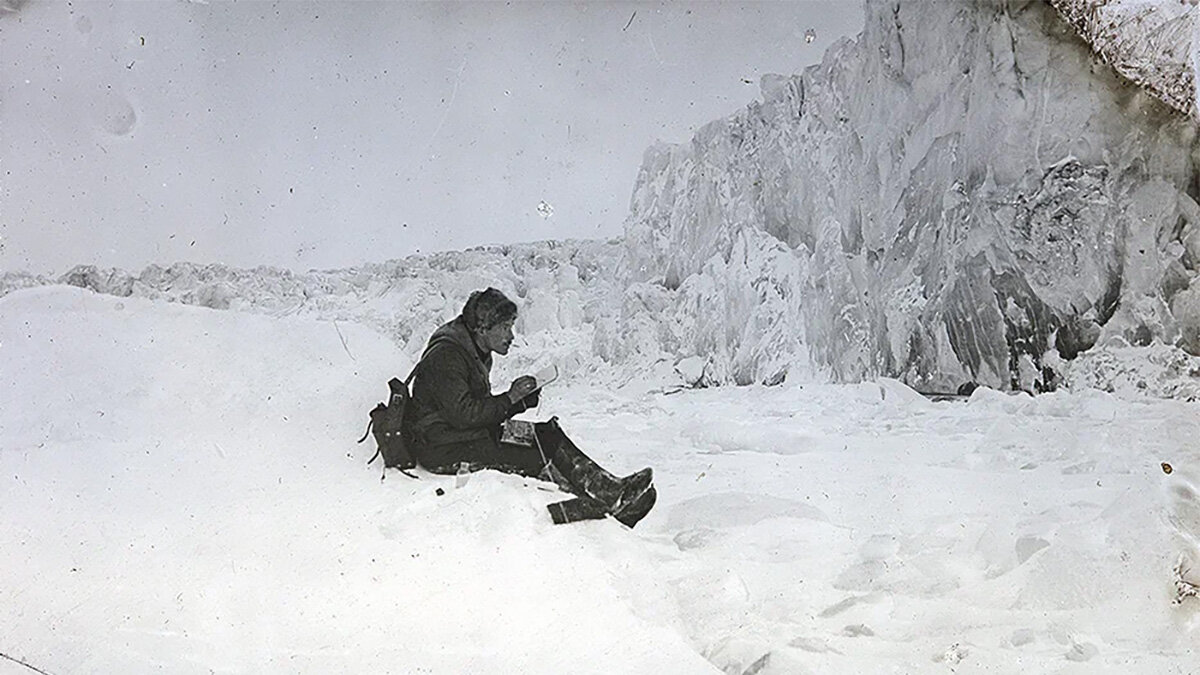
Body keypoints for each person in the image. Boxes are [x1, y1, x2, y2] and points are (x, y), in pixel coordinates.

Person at [405, 288, 657, 527]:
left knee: (546, 434)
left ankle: (608, 491)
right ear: (482, 328)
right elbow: (465, 415)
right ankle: (602, 505)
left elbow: (473, 410)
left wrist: (519, 401)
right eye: (505, 327)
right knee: (534, 452)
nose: (511, 335)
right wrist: (510, 399)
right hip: (443, 448)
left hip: (461, 436)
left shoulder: (473, 348)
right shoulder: (447, 356)